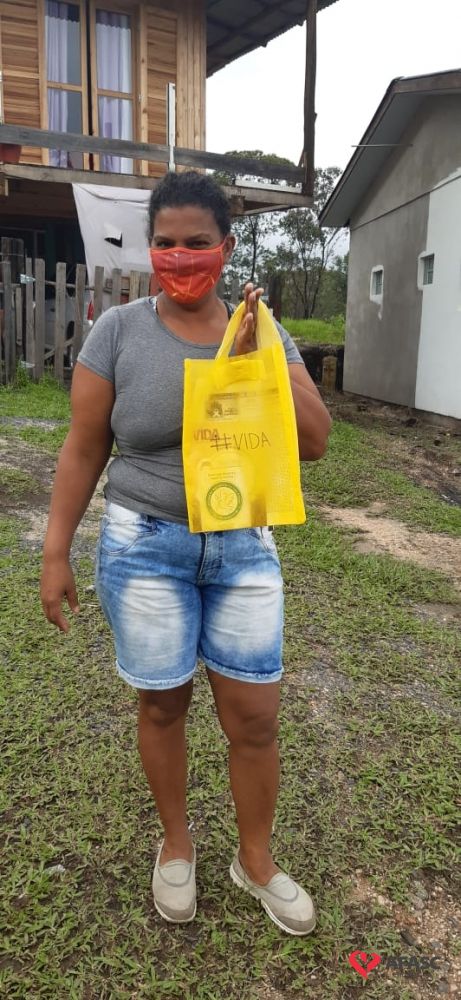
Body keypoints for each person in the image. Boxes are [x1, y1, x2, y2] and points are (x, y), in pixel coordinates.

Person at [40, 171, 332, 936]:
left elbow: (314, 442)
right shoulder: (118, 331)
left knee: (255, 717)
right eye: (165, 244)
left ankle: (255, 860)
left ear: (225, 248)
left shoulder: (261, 329)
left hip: (242, 549)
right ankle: (176, 844)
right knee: (162, 703)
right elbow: (83, 447)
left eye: (196, 243)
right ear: (150, 249)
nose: (179, 257)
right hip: (145, 546)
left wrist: (256, 360)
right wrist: (55, 552)